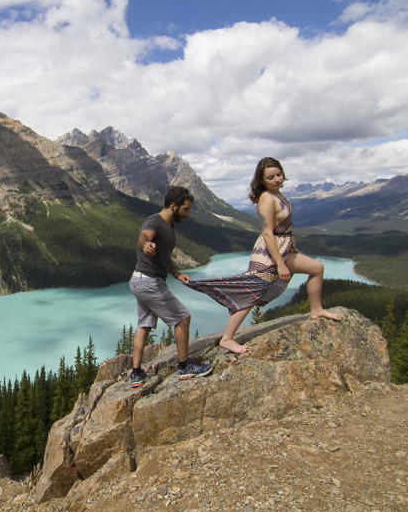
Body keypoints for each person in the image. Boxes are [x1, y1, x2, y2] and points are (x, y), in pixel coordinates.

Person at [185, 157, 340, 355]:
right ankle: (227, 339)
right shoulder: (267, 198)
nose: (276, 179)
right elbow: (268, 232)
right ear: (262, 181)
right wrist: (280, 264)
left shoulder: (278, 194)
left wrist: (291, 250)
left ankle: (316, 309)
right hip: (270, 253)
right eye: (270, 177)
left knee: (317, 268)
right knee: (252, 292)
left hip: (284, 249)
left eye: (278, 174)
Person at [129, 186, 213, 387]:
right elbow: (143, 236)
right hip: (149, 282)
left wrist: (176, 273)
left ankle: (136, 373)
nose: (188, 213)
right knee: (183, 319)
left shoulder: (168, 226)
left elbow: (164, 257)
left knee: (144, 325)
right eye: (185, 209)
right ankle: (184, 367)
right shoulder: (155, 222)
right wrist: (145, 244)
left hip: (139, 280)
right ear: (173, 206)